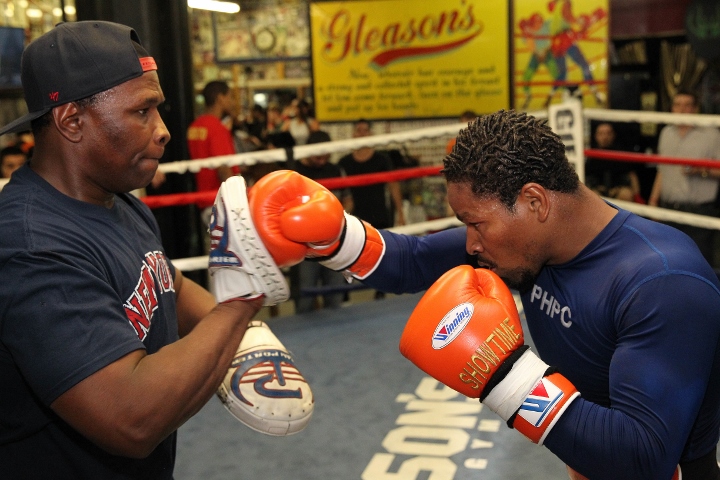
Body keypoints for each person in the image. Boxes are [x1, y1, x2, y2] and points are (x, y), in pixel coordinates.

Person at [246, 109, 720, 479]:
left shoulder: (661, 284)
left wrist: (506, 376)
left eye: (476, 224)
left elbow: (643, 460)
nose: (471, 244)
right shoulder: (528, 243)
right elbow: (412, 260)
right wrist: (332, 237)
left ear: (535, 201)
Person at [0, 21, 284, 478]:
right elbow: (130, 419)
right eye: (143, 111)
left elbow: (170, 284)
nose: (164, 130)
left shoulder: (119, 202)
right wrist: (245, 298)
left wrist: (250, 345)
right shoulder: (30, 247)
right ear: (71, 121)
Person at [648, 90, 720, 267]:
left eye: (687, 105)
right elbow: (661, 170)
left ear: (696, 108)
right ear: (672, 108)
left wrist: (702, 170)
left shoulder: (712, 134)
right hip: (669, 209)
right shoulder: (666, 133)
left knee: (701, 264)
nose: (682, 110)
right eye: (678, 105)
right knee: (668, 262)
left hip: (699, 211)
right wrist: (653, 201)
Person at [291, 130, 352, 313]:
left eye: (326, 155)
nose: (322, 159)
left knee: (335, 297)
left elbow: (348, 199)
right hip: (305, 244)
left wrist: (339, 218)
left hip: (333, 240)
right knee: (305, 298)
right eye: (318, 155)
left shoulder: (335, 170)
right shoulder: (295, 173)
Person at [187, 80, 240, 226]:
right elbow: (223, 169)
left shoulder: (194, 127)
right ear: (220, 98)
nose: (232, 102)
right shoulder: (217, 128)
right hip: (221, 202)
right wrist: (237, 203)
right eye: (229, 97)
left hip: (204, 201)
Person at [339, 119, 405, 229]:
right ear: (353, 134)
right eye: (359, 131)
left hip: (379, 217)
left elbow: (393, 186)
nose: (362, 134)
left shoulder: (382, 159)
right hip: (352, 220)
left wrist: (401, 214)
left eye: (365, 131)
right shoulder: (344, 162)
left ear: (371, 134)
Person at [585, 121, 643, 202]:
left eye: (608, 133)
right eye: (601, 134)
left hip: (617, 189)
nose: (605, 137)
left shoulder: (620, 154)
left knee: (626, 194)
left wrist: (637, 196)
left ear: (613, 135)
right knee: (592, 195)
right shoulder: (590, 155)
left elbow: (631, 175)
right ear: (596, 136)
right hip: (597, 190)